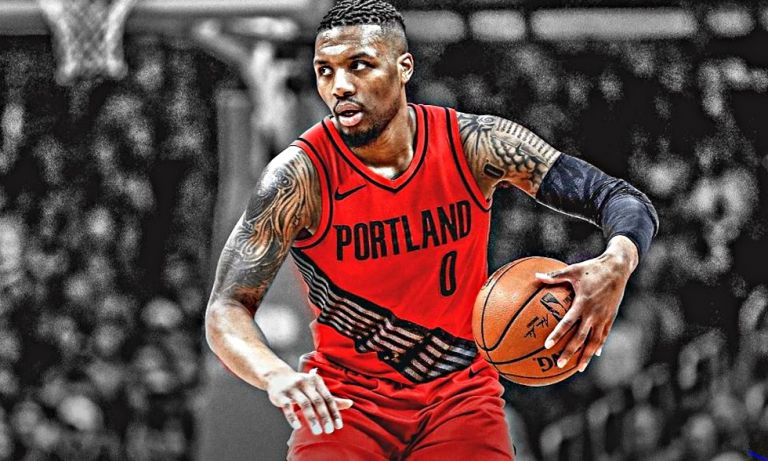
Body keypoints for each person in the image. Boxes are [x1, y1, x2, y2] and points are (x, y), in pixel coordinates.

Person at [205, 1, 658, 459]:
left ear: (404, 68)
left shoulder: (475, 144)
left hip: (459, 398)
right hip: (347, 404)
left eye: (359, 66)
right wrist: (274, 374)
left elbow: (616, 197)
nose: (340, 86)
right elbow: (226, 307)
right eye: (326, 71)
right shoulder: (297, 178)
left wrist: (617, 261)